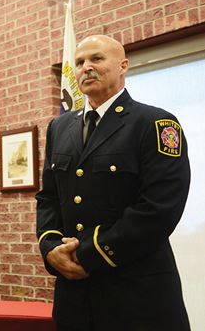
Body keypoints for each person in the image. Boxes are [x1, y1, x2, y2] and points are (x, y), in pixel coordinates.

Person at [36, 35, 191, 330]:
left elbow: (159, 209)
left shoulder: (155, 123)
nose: (86, 68)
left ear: (123, 66)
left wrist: (87, 253)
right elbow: (48, 198)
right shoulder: (60, 127)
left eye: (96, 59)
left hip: (136, 296)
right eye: (80, 62)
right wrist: (51, 247)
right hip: (75, 299)